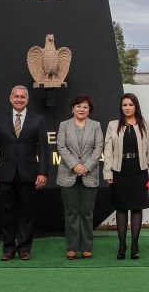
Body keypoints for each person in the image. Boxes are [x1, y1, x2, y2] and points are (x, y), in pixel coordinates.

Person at [0, 85, 48, 261]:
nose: (19, 99)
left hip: (29, 173)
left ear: (27, 99)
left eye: (23, 97)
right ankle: (8, 249)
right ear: (10, 98)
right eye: (16, 96)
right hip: (5, 173)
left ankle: (24, 248)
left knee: (27, 213)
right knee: (6, 212)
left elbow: (44, 149)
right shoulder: (0, 120)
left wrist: (43, 172)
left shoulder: (38, 120)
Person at [103, 93, 149, 260]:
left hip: (139, 171)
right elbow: (108, 151)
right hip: (119, 171)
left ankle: (134, 244)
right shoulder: (113, 125)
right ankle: (122, 245)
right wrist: (107, 172)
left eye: (130, 104)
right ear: (121, 107)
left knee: (136, 208)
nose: (127, 108)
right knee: (121, 208)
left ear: (136, 106)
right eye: (124, 105)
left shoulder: (145, 125)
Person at [56, 95, 104, 259]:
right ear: (72, 109)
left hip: (89, 175)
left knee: (87, 213)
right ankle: (72, 247)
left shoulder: (96, 126)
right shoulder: (64, 125)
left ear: (89, 110)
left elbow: (98, 148)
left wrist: (86, 167)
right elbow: (61, 147)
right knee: (71, 213)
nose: (81, 109)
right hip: (68, 174)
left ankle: (86, 247)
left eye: (85, 107)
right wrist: (75, 165)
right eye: (78, 106)